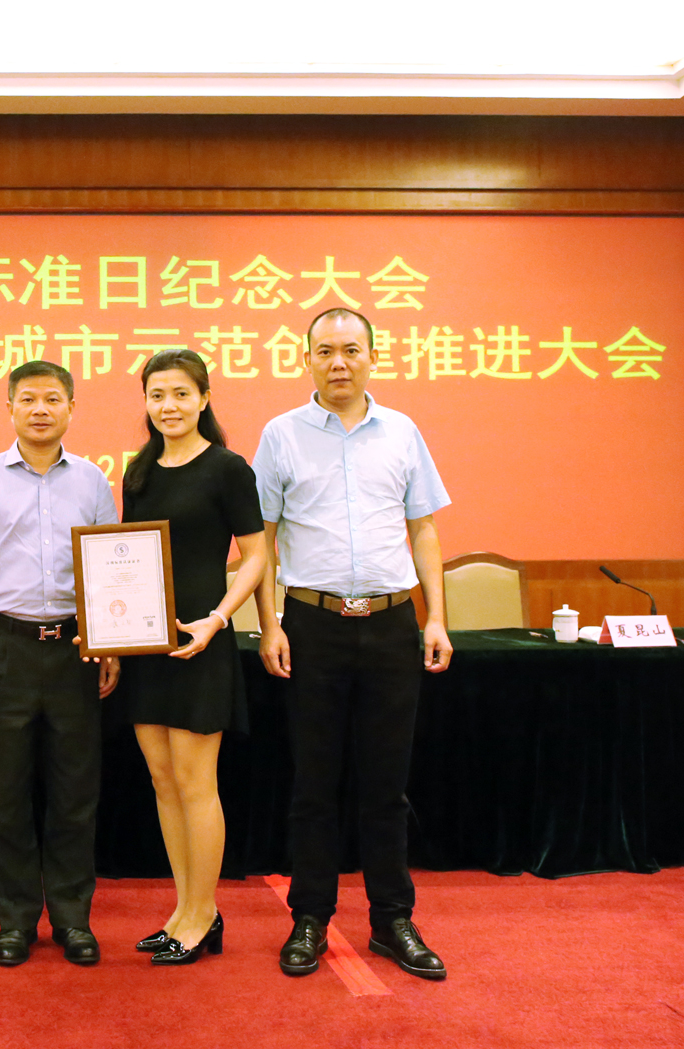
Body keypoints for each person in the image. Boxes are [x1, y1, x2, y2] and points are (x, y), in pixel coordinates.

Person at [253, 307, 453, 981]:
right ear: (305, 358)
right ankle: (309, 917)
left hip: (392, 624)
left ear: (372, 355)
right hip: (312, 625)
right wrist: (270, 623)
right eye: (325, 351)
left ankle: (392, 919)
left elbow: (423, 529)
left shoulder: (402, 431)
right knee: (313, 782)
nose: (338, 362)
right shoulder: (280, 435)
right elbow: (261, 540)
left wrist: (435, 618)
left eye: (350, 350)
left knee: (386, 784)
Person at [0, 360, 120, 968]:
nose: (40, 409)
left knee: (76, 793)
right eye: (28, 399)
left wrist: (109, 644)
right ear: (10, 408)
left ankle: (72, 919)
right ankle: (16, 920)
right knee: (6, 794)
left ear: (71, 407)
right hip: (5, 646)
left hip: (76, 648)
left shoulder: (93, 480)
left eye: (52, 399)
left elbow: (110, 564)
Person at [119, 349, 268, 966]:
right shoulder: (139, 471)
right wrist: (108, 629)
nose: (168, 406)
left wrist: (219, 617)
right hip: (147, 645)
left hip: (199, 642)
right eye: (157, 395)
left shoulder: (229, 469)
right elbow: (124, 560)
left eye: (181, 393)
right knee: (162, 781)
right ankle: (184, 910)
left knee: (195, 782)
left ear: (204, 399)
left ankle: (203, 913)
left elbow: (257, 556)